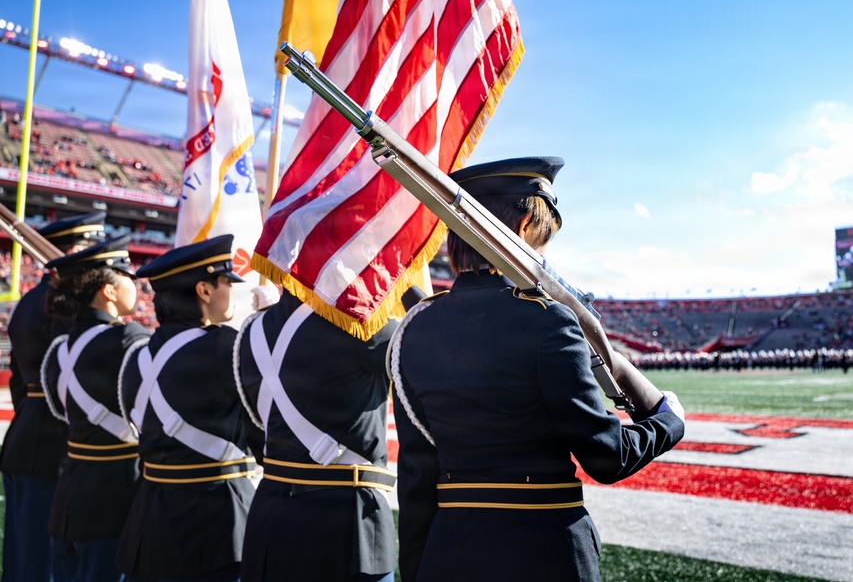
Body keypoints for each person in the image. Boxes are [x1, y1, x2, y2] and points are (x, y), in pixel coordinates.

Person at [390, 157, 686, 582]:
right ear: (527, 223)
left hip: (449, 555)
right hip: (545, 553)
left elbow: (418, 480)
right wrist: (668, 421)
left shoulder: (415, 329)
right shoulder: (549, 319)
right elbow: (606, 455)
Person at [233, 281, 422, 582]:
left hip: (270, 516)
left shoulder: (252, 331)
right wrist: (401, 282)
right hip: (346, 524)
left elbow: (256, 435)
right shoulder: (361, 321)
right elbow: (435, 343)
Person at [116, 234, 262, 582]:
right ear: (205, 291)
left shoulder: (137, 356)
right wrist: (268, 320)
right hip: (216, 522)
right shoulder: (225, 346)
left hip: (150, 518)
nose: (231, 290)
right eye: (226, 281)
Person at [1, 211, 107, 582]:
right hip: (55, 440)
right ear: (77, 252)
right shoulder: (67, 308)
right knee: (43, 560)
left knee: (22, 553)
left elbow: (18, 379)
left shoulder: (32, 301)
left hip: (28, 428)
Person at [40, 235, 149, 582]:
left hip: (69, 496)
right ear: (109, 290)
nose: (135, 282)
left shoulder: (60, 346)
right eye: (127, 274)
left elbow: (61, 412)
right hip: (115, 499)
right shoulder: (127, 339)